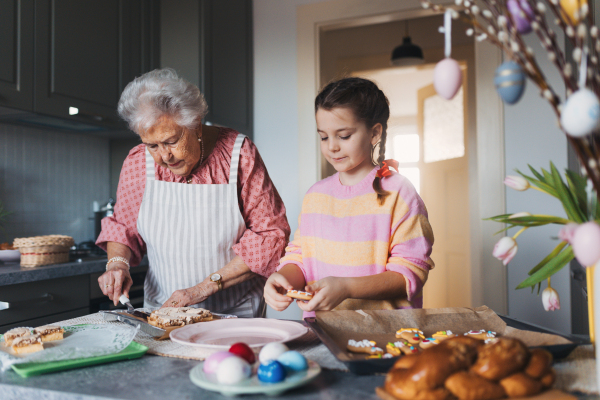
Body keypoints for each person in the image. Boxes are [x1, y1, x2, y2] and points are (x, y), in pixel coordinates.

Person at [96, 68, 290, 317]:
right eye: (152, 145)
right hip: (164, 311)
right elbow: (123, 228)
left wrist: (201, 289)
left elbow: (270, 235)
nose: (164, 157)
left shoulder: (238, 154)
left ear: (196, 125)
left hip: (234, 313)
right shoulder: (137, 162)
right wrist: (117, 265)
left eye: (171, 141)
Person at [264, 77, 434, 317]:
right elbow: (300, 258)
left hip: (386, 334)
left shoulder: (399, 193)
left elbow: (410, 273)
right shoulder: (315, 196)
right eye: (324, 137)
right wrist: (282, 278)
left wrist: (346, 288)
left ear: (374, 133)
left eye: (343, 136)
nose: (332, 146)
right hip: (322, 330)